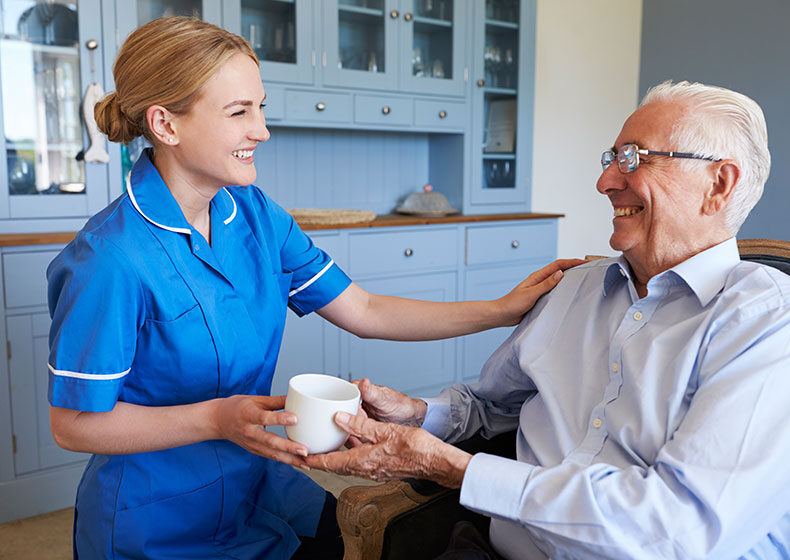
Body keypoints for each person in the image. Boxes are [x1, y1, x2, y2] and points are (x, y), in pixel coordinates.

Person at [46, 17, 581, 560]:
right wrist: (214, 417)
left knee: (342, 537)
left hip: (260, 481)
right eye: (239, 112)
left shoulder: (255, 217)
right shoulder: (108, 259)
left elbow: (367, 309)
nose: (262, 130)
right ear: (165, 124)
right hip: (158, 517)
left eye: (261, 107)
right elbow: (72, 425)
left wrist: (499, 310)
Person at [307, 81, 790, 559]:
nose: (605, 180)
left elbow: (680, 533)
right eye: (612, 156)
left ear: (719, 184)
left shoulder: (774, 322)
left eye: (634, 158)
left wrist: (454, 468)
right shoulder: (578, 287)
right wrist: (418, 414)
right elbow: (495, 406)